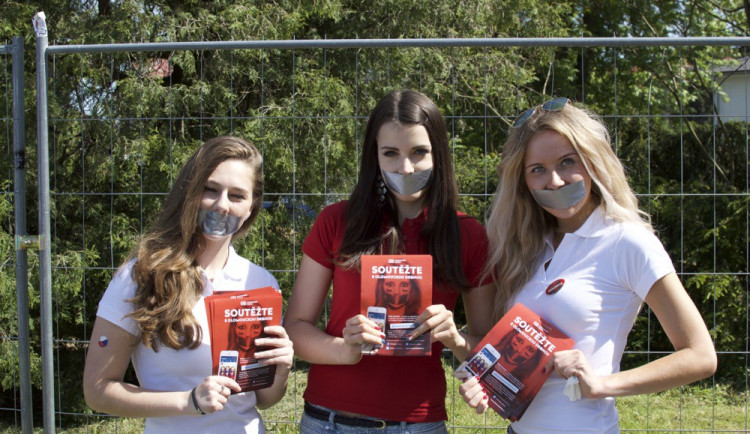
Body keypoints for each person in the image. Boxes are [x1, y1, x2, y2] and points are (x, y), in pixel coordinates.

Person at [458, 98, 717, 433]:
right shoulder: (525, 248)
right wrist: (481, 383)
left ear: (594, 160)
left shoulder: (628, 242)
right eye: (537, 169)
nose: (555, 181)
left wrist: (604, 384)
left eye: (568, 162)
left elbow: (700, 356)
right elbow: (511, 354)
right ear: (522, 181)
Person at [285, 89, 495, 433]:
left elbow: (487, 351)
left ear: (438, 154)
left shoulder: (468, 234)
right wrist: (344, 349)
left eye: (419, 152)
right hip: (329, 421)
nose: (406, 167)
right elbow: (295, 328)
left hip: (418, 424)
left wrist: (455, 338)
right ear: (375, 157)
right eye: (391, 153)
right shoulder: (337, 221)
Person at [82, 136, 294, 434]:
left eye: (237, 196)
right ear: (190, 192)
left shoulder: (261, 282)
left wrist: (281, 367)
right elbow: (98, 391)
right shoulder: (139, 276)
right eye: (210, 189)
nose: (222, 205)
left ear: (251, 207)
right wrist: (189, 401)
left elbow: (263, 399)